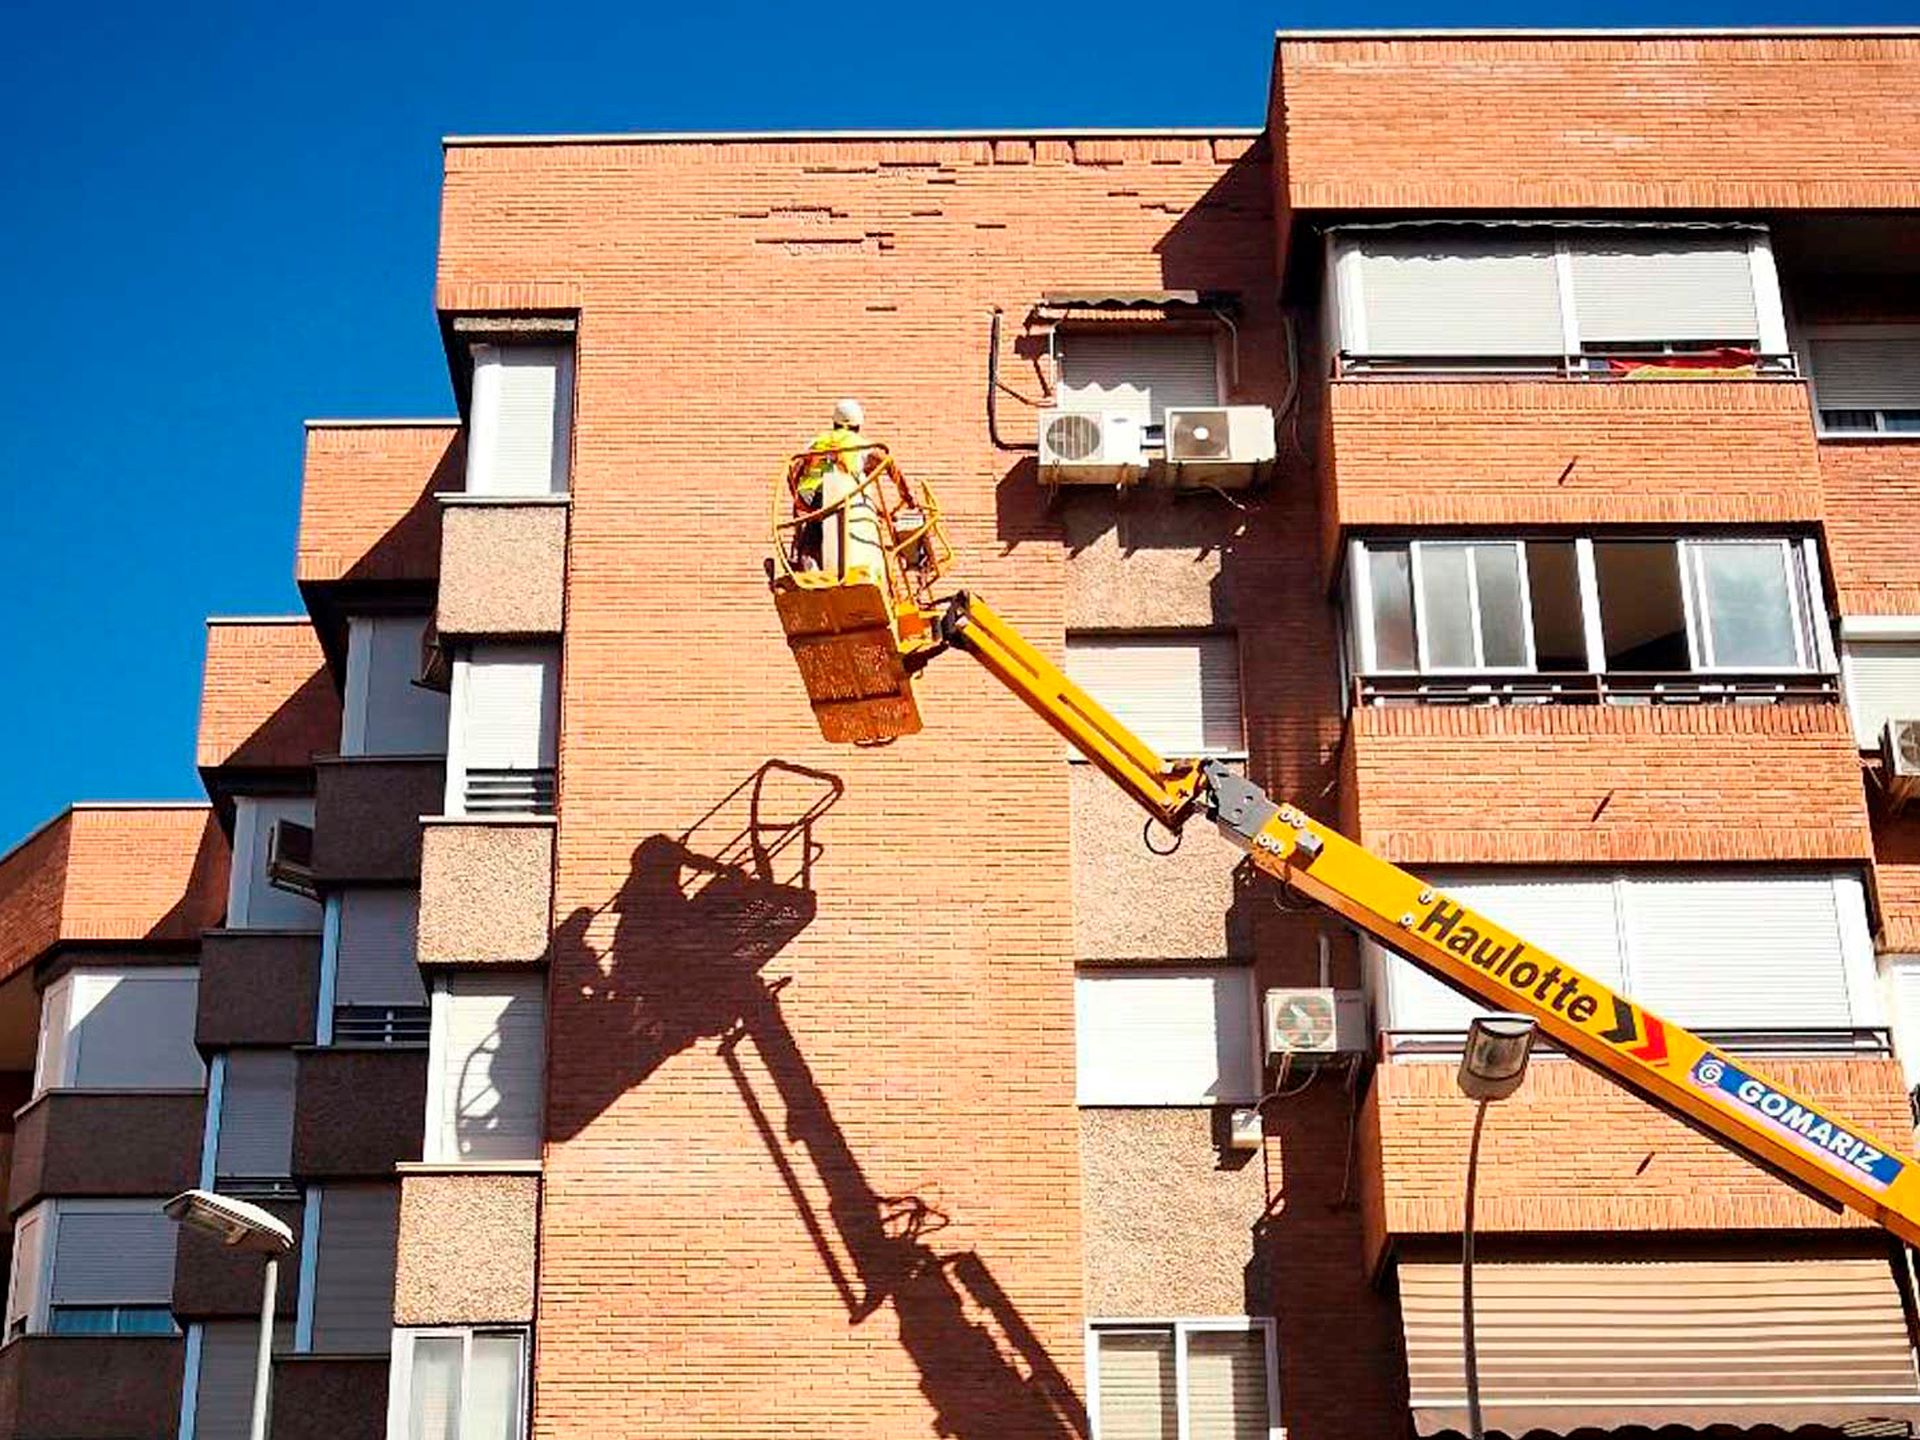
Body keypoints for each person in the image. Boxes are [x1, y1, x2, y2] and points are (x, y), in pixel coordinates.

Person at [793, 399, 873, 570]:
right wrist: (907, 495)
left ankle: (805, 556)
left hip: (808, 493)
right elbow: (885, 461)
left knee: (814, 521)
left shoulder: (817, 442)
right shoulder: (859, 443)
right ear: (857, 426)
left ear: (834, 423)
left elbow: (794, 470)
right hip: (838, 494)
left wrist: (797, 494)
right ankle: (841, 563)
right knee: (839, 515)